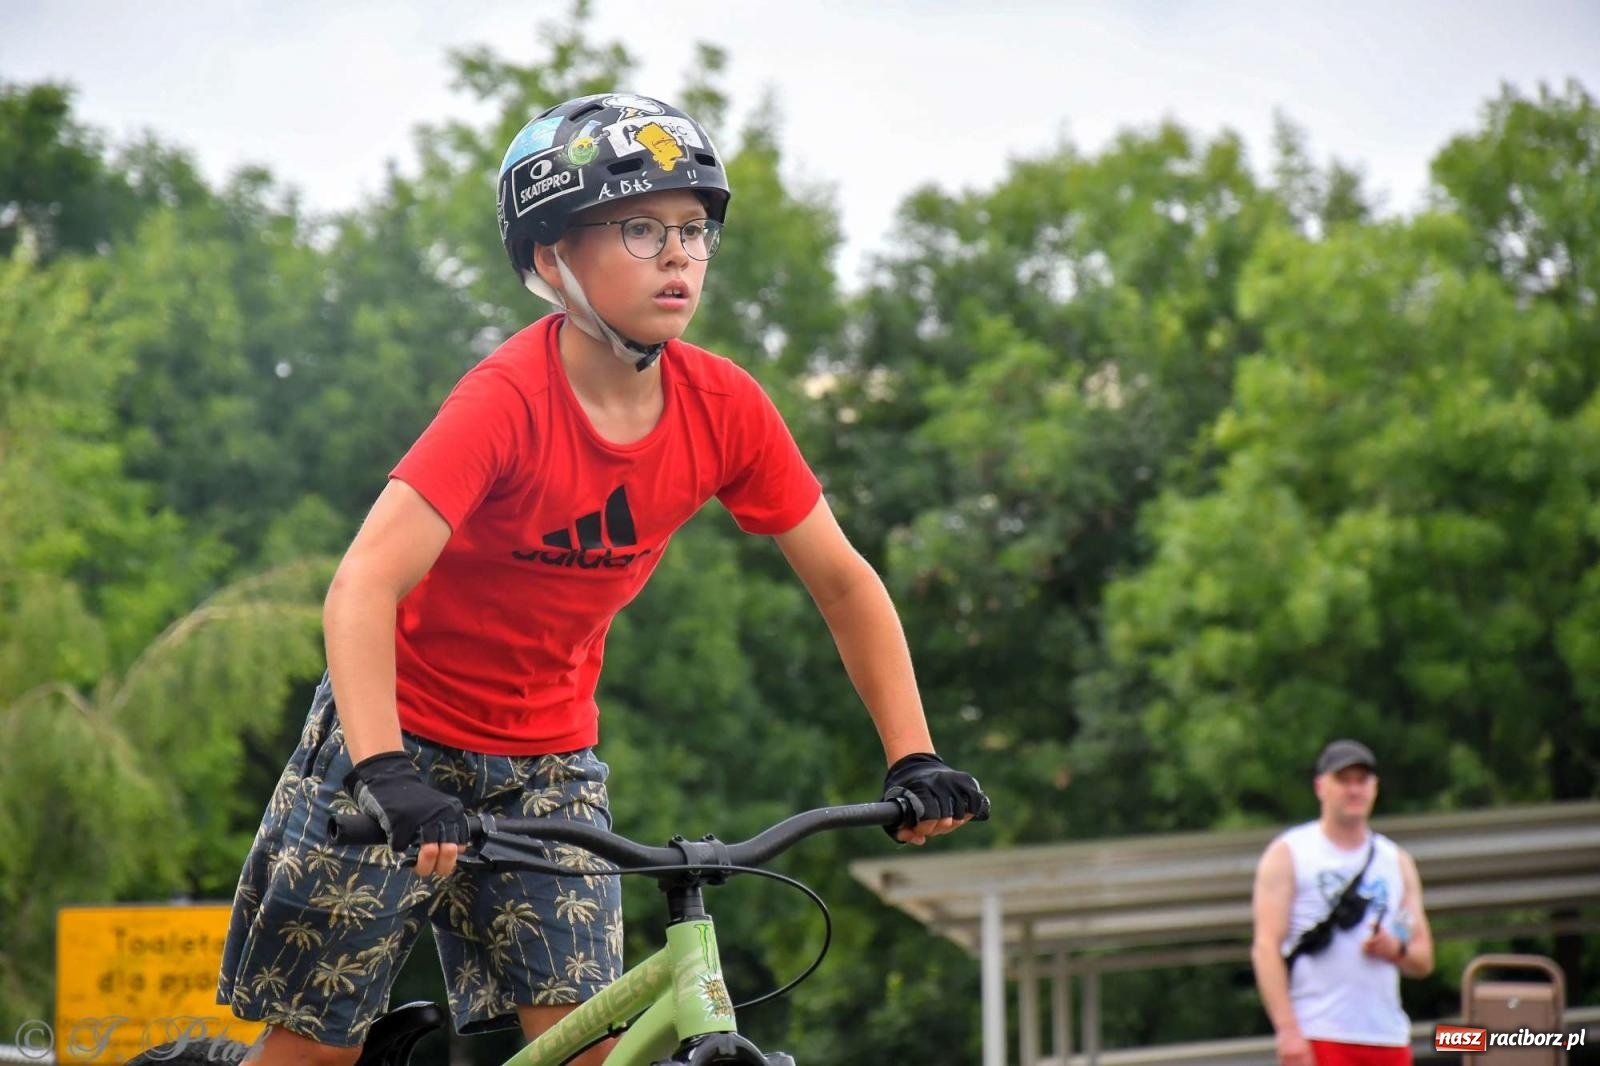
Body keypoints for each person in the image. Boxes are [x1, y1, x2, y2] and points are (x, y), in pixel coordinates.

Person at [216, 93, 989, 1066]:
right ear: (550, 259)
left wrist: (912, 756)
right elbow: (362, 585)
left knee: (592, 1046)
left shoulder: (724, 409)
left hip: (550, 765)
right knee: (316, 1050)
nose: (678, 254)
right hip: (393, 741)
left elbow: (841, 581)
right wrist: (385, 772)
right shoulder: (504, 402)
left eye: (693, 229)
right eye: (638, 227)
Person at [1251, 739, 1435, 1066]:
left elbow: (1423, 958)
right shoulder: (1291, 854)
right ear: (1321, 786)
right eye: (1343, 780)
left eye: (1361, 780)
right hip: (1320, 1032)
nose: (1354, 790)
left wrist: (1396, 948)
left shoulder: (1396, 861)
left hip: (1386, 1035)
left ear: (1374, 788)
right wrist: (1287, 1031)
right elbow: (1266, 947)